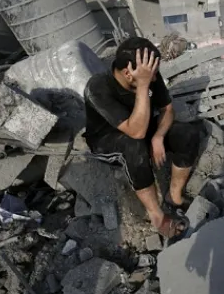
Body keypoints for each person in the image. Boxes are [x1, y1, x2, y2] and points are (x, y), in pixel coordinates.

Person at [83, 37, 201, 239]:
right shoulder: (98, 87)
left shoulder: (148, 74)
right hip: (107, 140)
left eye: (153, 73)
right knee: (134, 146)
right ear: (128, 74)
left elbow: (167, 109)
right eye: (150, 75)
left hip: (141, 127)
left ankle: (174, 197)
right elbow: (135, 132)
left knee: (187, 135)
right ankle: (156, 215)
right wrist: (144, 85)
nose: (155, 78)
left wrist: (158, 137)